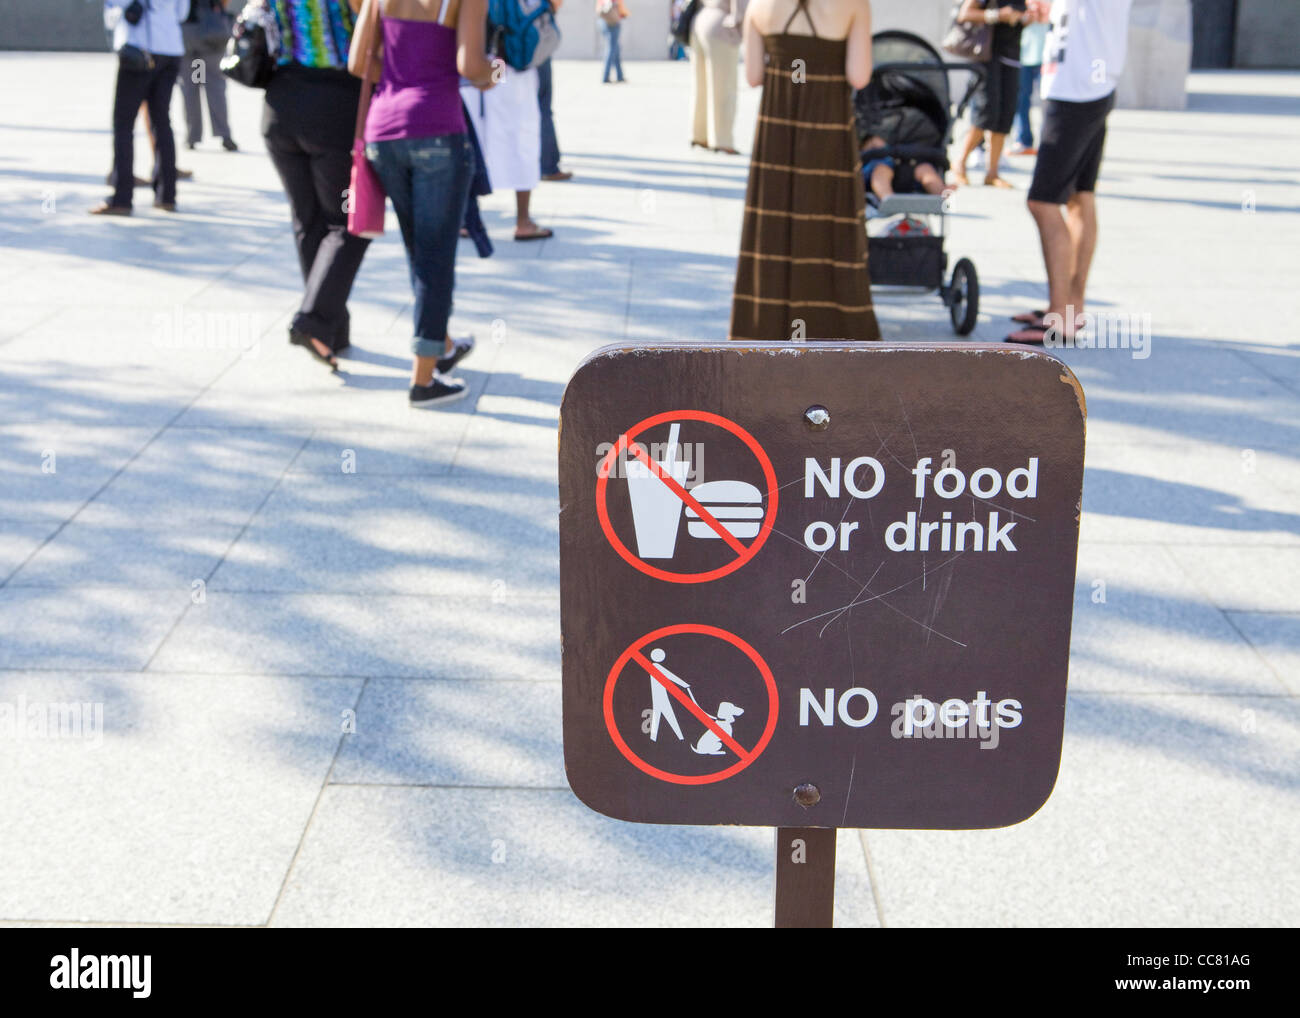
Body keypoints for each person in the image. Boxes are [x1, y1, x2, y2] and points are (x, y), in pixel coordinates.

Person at [351, 0, 498, 407]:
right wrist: (498, 70)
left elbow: (357, 62)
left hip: (384, 135)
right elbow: (471, 66)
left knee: (420, 250)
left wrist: (404, 78)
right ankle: (423, 380)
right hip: (435, 128)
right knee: (435, 256)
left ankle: (443, 345)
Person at [730, 0, 881, 342]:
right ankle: (830, 336)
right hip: (829, 134)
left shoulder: (759, 5)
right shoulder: (854, 4)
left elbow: (753, 76)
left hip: (777, 134)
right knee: (830, 228)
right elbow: (859, 76)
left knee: (772, 229)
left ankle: (765, 334)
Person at [1007, 0, 1133, 343]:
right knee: (1080, 196)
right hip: (1085, 85)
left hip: (1077, 91)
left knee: (1042, 202)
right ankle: (1070, 308)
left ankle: (1060, 316)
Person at [263, 0, 371, 370]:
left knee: (308, 221)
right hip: (333, 108)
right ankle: (313, 321)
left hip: (279, 108)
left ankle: (332, 332)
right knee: (349, 223)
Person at [93, 0, 191, 216]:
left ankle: (122, 197)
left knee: (123, 123)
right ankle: (167, 195)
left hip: (140, 50)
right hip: (171, 49)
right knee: (161, 121)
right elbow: (182, 13)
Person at [460, 53, 552, 240]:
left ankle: (468, 219)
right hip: (510, 66)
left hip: (483, 70)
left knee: (472, 138)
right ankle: (523, 220)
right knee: (522, 140)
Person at [951, 0, 1030, 188]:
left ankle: (992, 173)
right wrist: (998, 15)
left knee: (1005, 115)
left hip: (1012, 57)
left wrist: (1026, 18)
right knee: (986, 113)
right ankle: (960, 163)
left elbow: (1020, 18)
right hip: (987, 56)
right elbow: (965, 14)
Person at [179, 0, 237, 151]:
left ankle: (192, 136)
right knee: (215, 87)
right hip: (211, 31)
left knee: (191, 86)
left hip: (187, 34)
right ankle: (225, 135)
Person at [690, 0, 744, 154]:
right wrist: (739, 24)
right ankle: (722, 140)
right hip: (721, 24)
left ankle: (700, 135)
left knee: (701, 86)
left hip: (700, 19)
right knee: (724, 87)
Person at [861, 134, 948, 204]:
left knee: (924, 169)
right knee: (881, 170)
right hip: (878, 178)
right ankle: (889, 200)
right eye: (873, 146)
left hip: (903, 171)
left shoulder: (894, 152)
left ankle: (941, 193)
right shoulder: (869, 162)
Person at [1009, 17, 1047, 155]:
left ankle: (1047, 142)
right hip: (1023, 54)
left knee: (1049, 102)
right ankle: (1023, 140)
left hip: (1047, 55)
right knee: (1020, 101)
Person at [597, 0, 628, 84]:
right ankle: (605, 76)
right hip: (612, 22)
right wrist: (624, 14)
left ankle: (620, 75)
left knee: (615, 49)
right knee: (611, 49)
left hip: (602, 20)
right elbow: (619, 7)